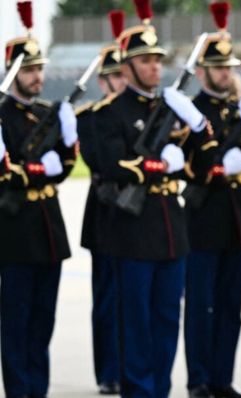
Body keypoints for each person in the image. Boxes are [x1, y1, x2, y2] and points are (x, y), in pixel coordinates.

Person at [92, 1, 212, 396]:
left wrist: (197, 125)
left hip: (171, 231)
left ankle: (159, 389)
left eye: (157, 61)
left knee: (165, 322)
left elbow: (204, 162)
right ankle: (139, 391)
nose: (154, 68)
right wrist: (158, 164)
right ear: (125, 68)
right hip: (131, 232)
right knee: (136, 324)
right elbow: (109, 162)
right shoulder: (107, 112)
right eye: (144, 61)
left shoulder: (171, 107)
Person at [181, 2, 241, 398]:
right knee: (200, 306)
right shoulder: (190, 111)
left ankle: (222, 379)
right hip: (202, 221)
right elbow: (186, 166)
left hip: (236, 222)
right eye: (219, 67)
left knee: (230, 308)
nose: (226, 73)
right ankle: (199, 380)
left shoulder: (239, 110)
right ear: (201, 72)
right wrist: (218, 168)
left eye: (230, 67)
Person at [0, 2, 78, 397]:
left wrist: (66, 148)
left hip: (48, 232)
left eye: (40, 69)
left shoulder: (49, 112)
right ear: (14, 72)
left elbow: (64, 165)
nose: (38, 77)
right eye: (29, 70)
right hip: (15, 235)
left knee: (42, 323)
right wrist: (33, 170)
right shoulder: (2, 116)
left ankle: (38, 390)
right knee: (16, 323)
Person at [75, 10, 127, 396]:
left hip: (139, 217)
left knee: (135, 299)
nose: (121, 83)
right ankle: (109, 370)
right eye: (115, 77)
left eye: (124, 75)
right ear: (102, 80)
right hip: (106, 213)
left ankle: (131, 364)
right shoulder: (91, 118)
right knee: (108, 298)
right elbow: (100, 161)